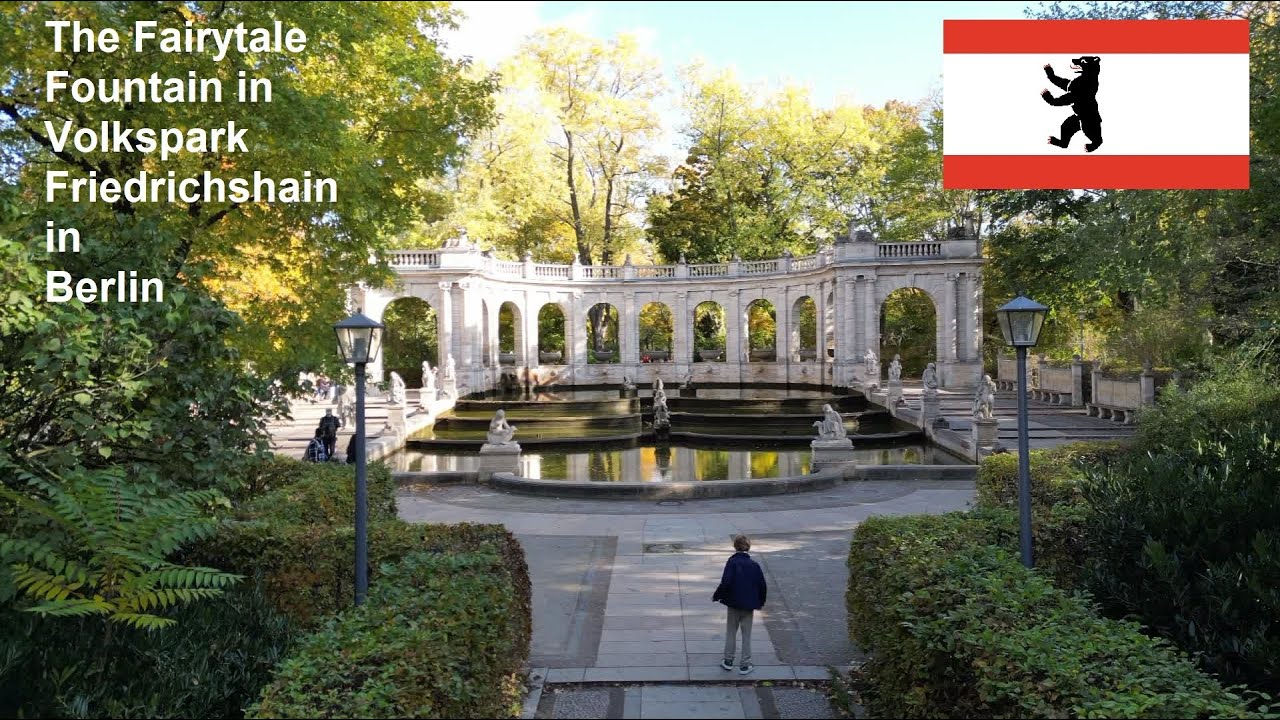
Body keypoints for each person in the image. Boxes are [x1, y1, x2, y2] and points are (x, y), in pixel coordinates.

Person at [712, 534, 767, 675]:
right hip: (749, 605)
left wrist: (718, 595)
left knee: (731, 632)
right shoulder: (754, 565)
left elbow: (726, 582)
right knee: (746, 635)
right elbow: (762, 586)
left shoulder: (732, 562)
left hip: (734, 603)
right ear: (748, 547)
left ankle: (728, 660)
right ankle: (745, 664)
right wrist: (760, 602)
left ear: (735, 546)